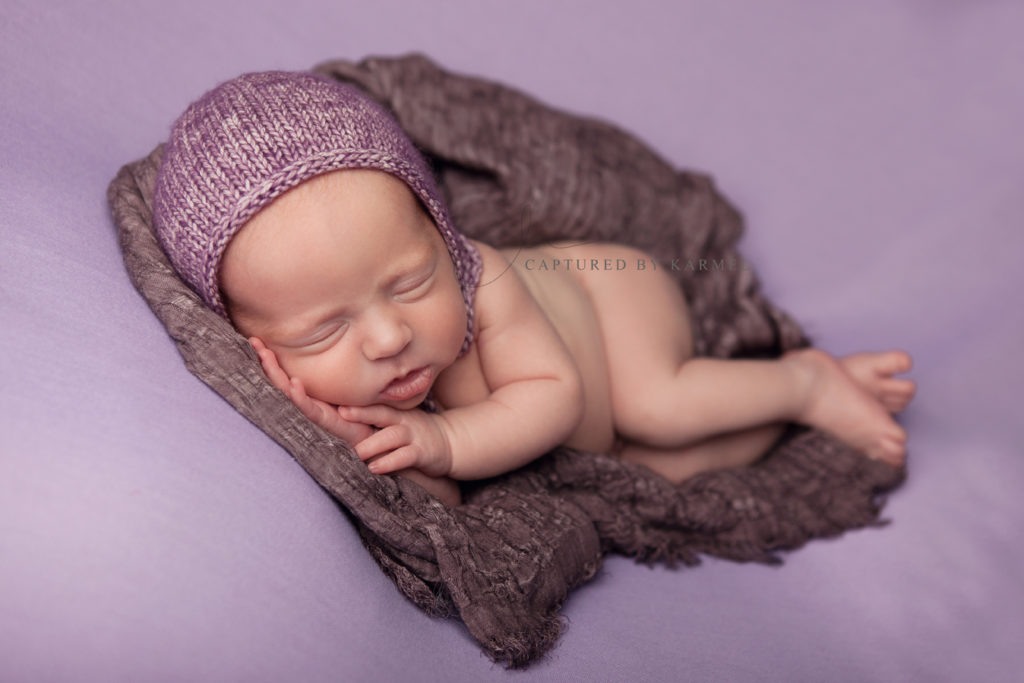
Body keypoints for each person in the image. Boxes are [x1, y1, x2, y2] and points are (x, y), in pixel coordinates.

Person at [153, 71, 916, 507]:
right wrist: (366, 441)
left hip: (608, 304)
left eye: (414, 278)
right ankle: (804, 402)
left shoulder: (486, 281)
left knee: (661, 404)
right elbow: (440, 500)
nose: (389, 337)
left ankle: (801, 380)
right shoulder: (344, 390)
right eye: (323, 331)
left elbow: (551, 395)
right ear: (258, 349)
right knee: (654, 471)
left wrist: (444, 438)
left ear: (442, 237)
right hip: (593, 437)